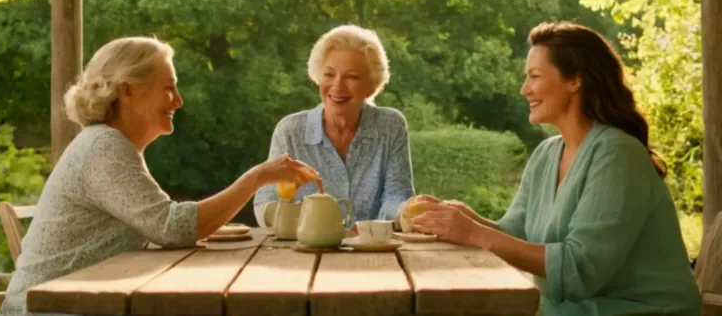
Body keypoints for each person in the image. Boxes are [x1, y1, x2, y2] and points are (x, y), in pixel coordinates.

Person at [0, 37, 319, 316]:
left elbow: (162, 228)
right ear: (127, 91)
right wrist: (257, 177)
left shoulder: (112, 144)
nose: (178, 100)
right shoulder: (104, 146)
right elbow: (172, 228)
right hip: (49, 310)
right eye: (168, 87)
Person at [411, 22, 702, 315]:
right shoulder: (546, 154)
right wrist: (462, 218)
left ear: (575, 80)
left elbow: (580, 268)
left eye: (534, 76)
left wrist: (474, 233)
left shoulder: (618, 154)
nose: (524, 89)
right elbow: (514, 235)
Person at [253, 25, 414, 226]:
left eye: (352, 77)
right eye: (329, 74)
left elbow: (396, 195)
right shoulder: (290, 132)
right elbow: (265, 202)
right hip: (305, 244)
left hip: (370, 244)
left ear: (371, 85)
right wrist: (307, 224)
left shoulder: (390, 126)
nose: (337, 86)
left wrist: (407, 212)